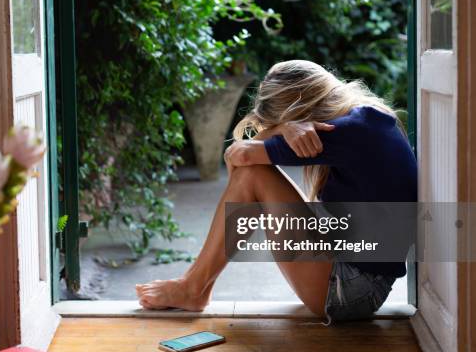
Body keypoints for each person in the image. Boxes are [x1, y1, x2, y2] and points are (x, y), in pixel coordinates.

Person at [135, 60, 417, 322]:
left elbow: (239, 158)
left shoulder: (346, 131)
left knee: (253, 175)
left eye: (282, 120)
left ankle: (193, 287)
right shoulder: (366, 120)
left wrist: (279, 130)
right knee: (252, 175)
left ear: (301, 112)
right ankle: (197, 287)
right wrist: (283, 127)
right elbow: (241, 159)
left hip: (350, 290)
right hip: (356, 281)